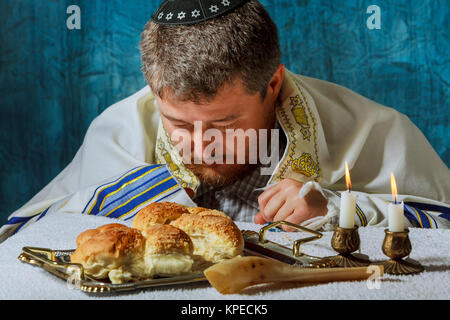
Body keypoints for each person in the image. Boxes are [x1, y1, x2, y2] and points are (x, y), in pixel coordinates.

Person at [1, 0, 449, 243]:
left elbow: (442, 224)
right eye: (178, 123)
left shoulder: (373, 130)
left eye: (223, 124)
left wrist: (335, 211)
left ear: (273, 84)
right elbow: (20, 237)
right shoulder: (117, 129)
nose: (198, 147)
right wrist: (133, 193)